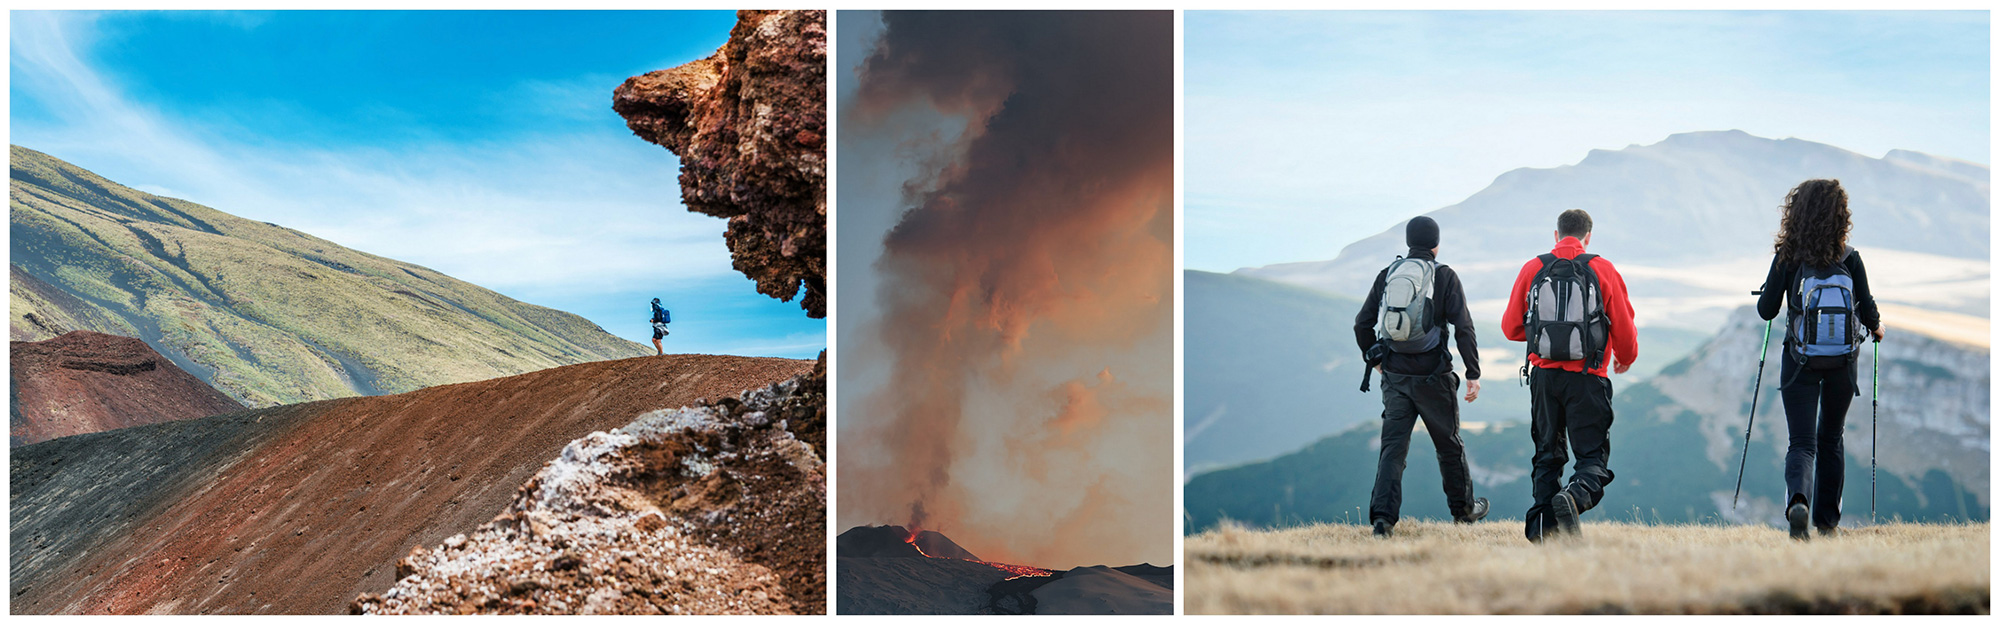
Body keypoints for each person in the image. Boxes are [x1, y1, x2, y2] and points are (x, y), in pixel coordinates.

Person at [1501, 209, 1637, 542]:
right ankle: (1574, 497)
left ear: (1556, 234)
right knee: (1592, 457)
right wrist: (1624, 358)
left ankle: (1542, 535)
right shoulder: (1601, 268)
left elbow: (1510, 327)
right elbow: (1623, 325)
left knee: (1547, 456)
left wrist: (1545, 339)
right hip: (1589, 377)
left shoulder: (1534, 267)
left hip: (1544, 379)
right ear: (1588, 236)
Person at [1756, 179, 1881, 540]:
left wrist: (1771, 291)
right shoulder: (1850, 257)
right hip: (1843, 362)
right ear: (1841, 216)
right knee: (1831, 438)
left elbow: (1767, 311)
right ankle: (1827, 524)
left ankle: (1799, 503)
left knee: (1802, 442)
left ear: (1795, 214)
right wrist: (1878, 327)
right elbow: (1869, 310)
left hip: (1799, 362)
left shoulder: (1787, 257)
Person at [1353, 216, 1491, 538]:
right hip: (1434, 379)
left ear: (1408, 243)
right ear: (1436, 244)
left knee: (1393, 449)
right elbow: (1464, 327)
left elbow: (1362, 324)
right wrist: (1472, 372)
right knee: (1448, 446)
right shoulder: (1444, 276)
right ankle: (1464, 512)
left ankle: (1382, 522)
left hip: (1396, 377)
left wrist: (1376, 361)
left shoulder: (1388, 276)